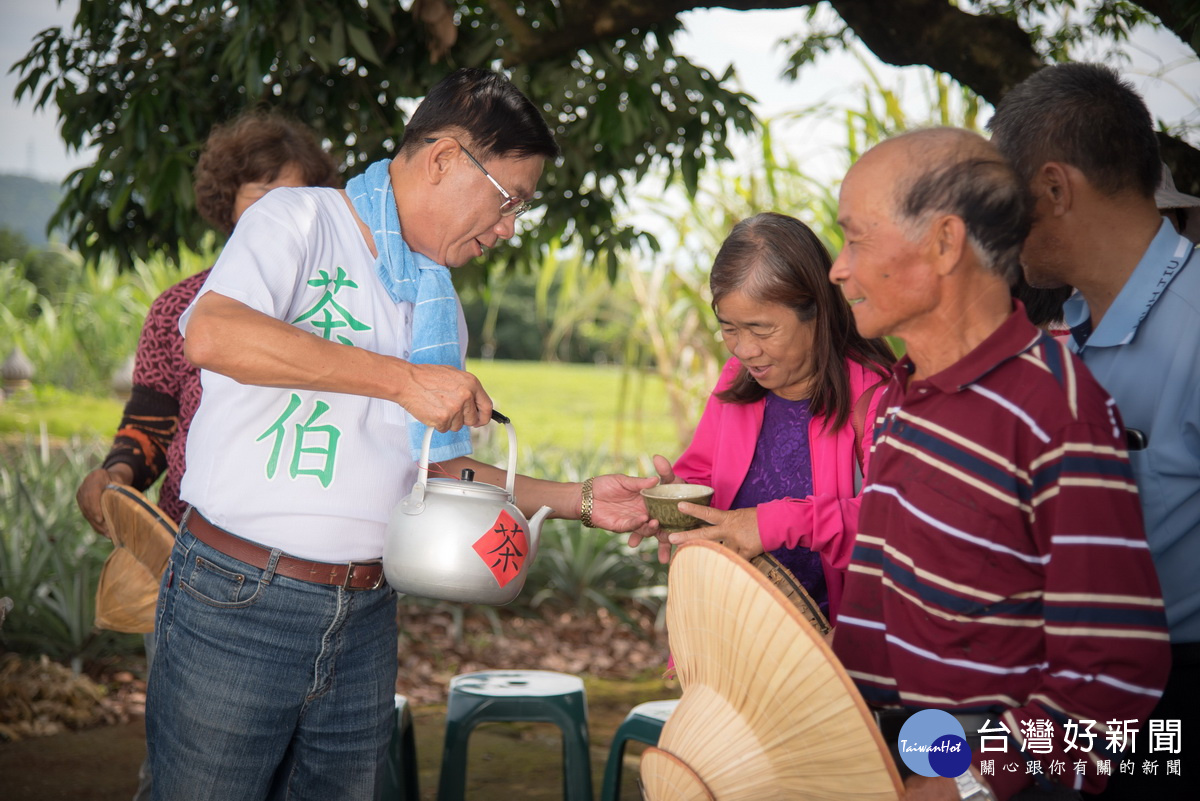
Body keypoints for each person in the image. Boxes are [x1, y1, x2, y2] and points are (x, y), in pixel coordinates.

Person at [146, 67, 656, 801]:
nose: (509, 226)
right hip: (239, 600)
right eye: (510, 200)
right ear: (446, 158)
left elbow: (441, 475)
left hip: (364, 613)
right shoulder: (300, 220)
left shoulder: (434, 300)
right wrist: (397, 378)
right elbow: (216, 335)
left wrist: (581, 498)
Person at [826, 127, 1169, 801]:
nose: (840, 267)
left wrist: (967, 784)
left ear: (946, 242)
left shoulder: (1056, 412)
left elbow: (1112, 672)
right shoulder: (899, 398)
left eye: (856, 237)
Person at [73, 109, 341, 801]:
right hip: (193, 563)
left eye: (296, 199)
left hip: (314, 568)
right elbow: (152, 420)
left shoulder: (338, 311)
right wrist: (119, 473)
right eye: (259, 199)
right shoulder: (183, 306)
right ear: (227, 207)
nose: (278, 217)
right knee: (188, 770)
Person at [988, 63, 1199, 800]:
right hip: (1061, 686)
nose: (993, 231)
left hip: (1164, 704)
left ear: (1053, 189)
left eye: (1001, 205)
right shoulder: (1060, 337)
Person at [639, 212, 894, 622]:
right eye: (729, 329)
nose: (744, 350)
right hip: (730, 634)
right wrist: (677, 497)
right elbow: (704, 476)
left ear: (816, 311)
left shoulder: (876, 397)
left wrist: (775, 523)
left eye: (761, 330)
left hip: (833, 652)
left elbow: (894, 524)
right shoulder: (736, 382)